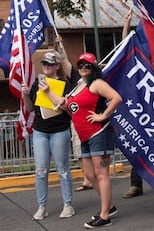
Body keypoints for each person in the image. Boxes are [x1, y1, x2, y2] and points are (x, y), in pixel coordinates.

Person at [40, 52, 123, 229]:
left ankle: (105, 215)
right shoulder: (78, 85)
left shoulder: (97, 84)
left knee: (101, 174)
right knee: (90, 175)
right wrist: (47, 92)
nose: (84, 68)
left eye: (87, 65)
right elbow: (64, 105)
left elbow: (116, 98)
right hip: (83, 135)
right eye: (81, 65)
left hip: (98, 134)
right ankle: (108, 205)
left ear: (93, 67)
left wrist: (103, 115)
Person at [22, 47, 78, 220]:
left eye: (50, 63)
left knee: (62, 169)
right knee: (40, 170)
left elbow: (68, 109)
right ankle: (41, 206)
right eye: (44, 63)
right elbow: (31, 109)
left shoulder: (65, 85)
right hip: (40, 131)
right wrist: (25, 95)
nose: (46, 66)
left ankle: (68, 204)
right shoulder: (36, 84)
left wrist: (48, 92)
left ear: (56, 66)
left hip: (59, 130)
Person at [119, 9, 144, 199]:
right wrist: (126, 25)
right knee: (139, 142)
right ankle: (136, 184)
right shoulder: (138, 48)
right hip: (139, 100)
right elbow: (124, 46)